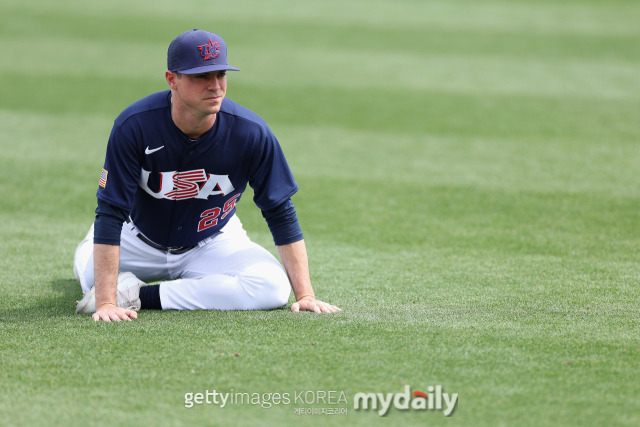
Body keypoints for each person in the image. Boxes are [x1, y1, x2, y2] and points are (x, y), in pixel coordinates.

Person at [73, 29, 340, 322]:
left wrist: (305, 296)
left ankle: (139, 295)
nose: (215, 86)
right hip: (137, 237)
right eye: (201, 76)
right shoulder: (134, 126)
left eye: (220, 74)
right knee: (91, 280)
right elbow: (111, 212)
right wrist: (107, 302)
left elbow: (280, 211)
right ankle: (99, 263)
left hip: (212, 240)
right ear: (171, 79)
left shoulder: (250, 133)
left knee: (273, 288)